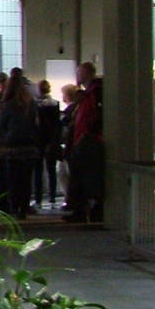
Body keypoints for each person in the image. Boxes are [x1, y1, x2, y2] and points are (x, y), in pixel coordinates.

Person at [0, 69, 39, 217]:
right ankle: (24, 207)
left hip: (11, 147)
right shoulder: (30, 103)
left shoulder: (7, 104)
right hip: (29, 146)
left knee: (12, 180)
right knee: (26, 180)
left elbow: (1, 125)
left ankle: (14, 208)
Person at [65, 62, 104, 223]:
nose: (77, 77)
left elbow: (96, 116)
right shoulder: (88, 94)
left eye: (79, 73)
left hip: (87, 140)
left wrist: (88, 134)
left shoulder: (95, 93)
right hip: (83, 139)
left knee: (85, 177)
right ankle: (81, 209)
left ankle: (85, 209)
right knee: (81, 176)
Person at [34, 78, 61, 208]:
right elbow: (57, 125)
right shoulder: (55, 103)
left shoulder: (35, 104)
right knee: (51, 170)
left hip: (38, 139)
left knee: (38, 171)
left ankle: (38, 199)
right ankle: (52, 198)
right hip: (51, 140)